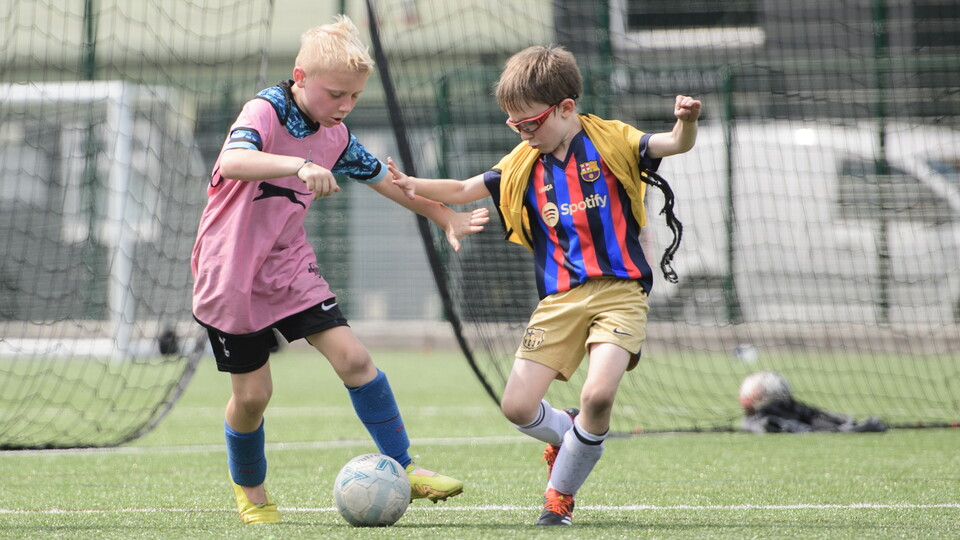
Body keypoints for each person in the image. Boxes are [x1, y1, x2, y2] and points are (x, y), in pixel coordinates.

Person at [190, 15, 488, 524]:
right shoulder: (266, 110)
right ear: (300, 78)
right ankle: (253, 494)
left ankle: (404, 466)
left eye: (354, 97)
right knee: (254, 396)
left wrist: (446, 217)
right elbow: (235, 161)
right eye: (335, 95)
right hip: (230, 272)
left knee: (354, 359)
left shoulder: (338, 137)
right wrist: (298, 165)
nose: (345, 106)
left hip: (287, 267)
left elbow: (390, 184)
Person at [388, 45, 701, 526]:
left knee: (599, 396)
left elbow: (674, 144)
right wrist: (412, 183)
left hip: (620, 293)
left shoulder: (613, 140)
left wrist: (686, 121)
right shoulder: (521, 164)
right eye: (513, 125)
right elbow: (462, 189)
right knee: (515, 406)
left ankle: (559, 499)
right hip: (560, 299)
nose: (523, 133)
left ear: (566, 108)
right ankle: (570, 434)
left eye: (529, 123)